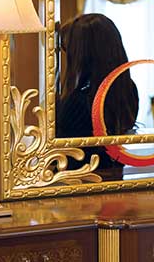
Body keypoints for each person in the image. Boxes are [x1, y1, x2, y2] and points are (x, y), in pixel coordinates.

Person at [56, 13, 139, 178]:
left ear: (82, 54)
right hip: (114, 177)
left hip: (78, 181)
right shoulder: (128, 90)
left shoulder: (78, 101)